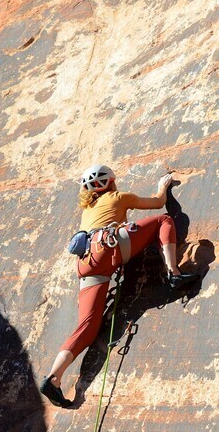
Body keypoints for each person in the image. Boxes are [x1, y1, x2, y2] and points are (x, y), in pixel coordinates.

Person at [40, 164, 199, 407]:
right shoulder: (117, 196)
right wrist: (163, 186)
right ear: (110, 183)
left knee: (87, 327)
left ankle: (54, 377)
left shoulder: (88, 209)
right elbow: (158, 203)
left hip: (86, 263)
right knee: (164, 221)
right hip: (111, 247)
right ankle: (174, 273)